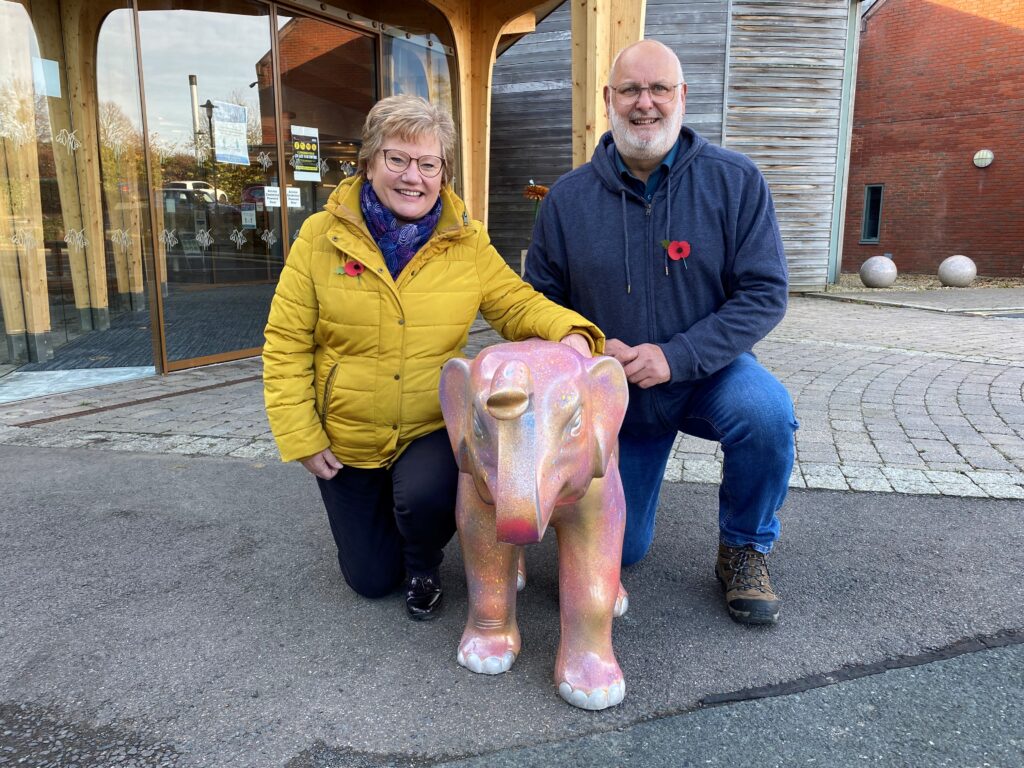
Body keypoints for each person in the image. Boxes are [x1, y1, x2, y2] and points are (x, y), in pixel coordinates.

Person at [263, 95, 603, 621]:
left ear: (443, 172)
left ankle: (424, 559)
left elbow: (516, 303)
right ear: (370, 162)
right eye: (397, 159)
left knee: (427, 499)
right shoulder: (318, 238)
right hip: (349, 431)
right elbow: (285, 344)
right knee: (371, 580)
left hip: (428, 425)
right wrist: (302, 436)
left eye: (428, 163)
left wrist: (573, 333)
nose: (412, 177)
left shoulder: (465, 241)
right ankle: (390, 543)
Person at [525, 40, 797, 625]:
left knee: (767, 412)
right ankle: (619, 514)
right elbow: (538, 302)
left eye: (658, 89)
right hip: (612, 393)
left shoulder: (735, 182)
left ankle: (744, 548)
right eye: (630, 90)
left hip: (708, 376)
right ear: (608, 100)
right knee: (624, 551)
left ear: (681, 97)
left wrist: (678, 356)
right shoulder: (567, 200)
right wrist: (590, 347)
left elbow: (764, 292)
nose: (644, 103)